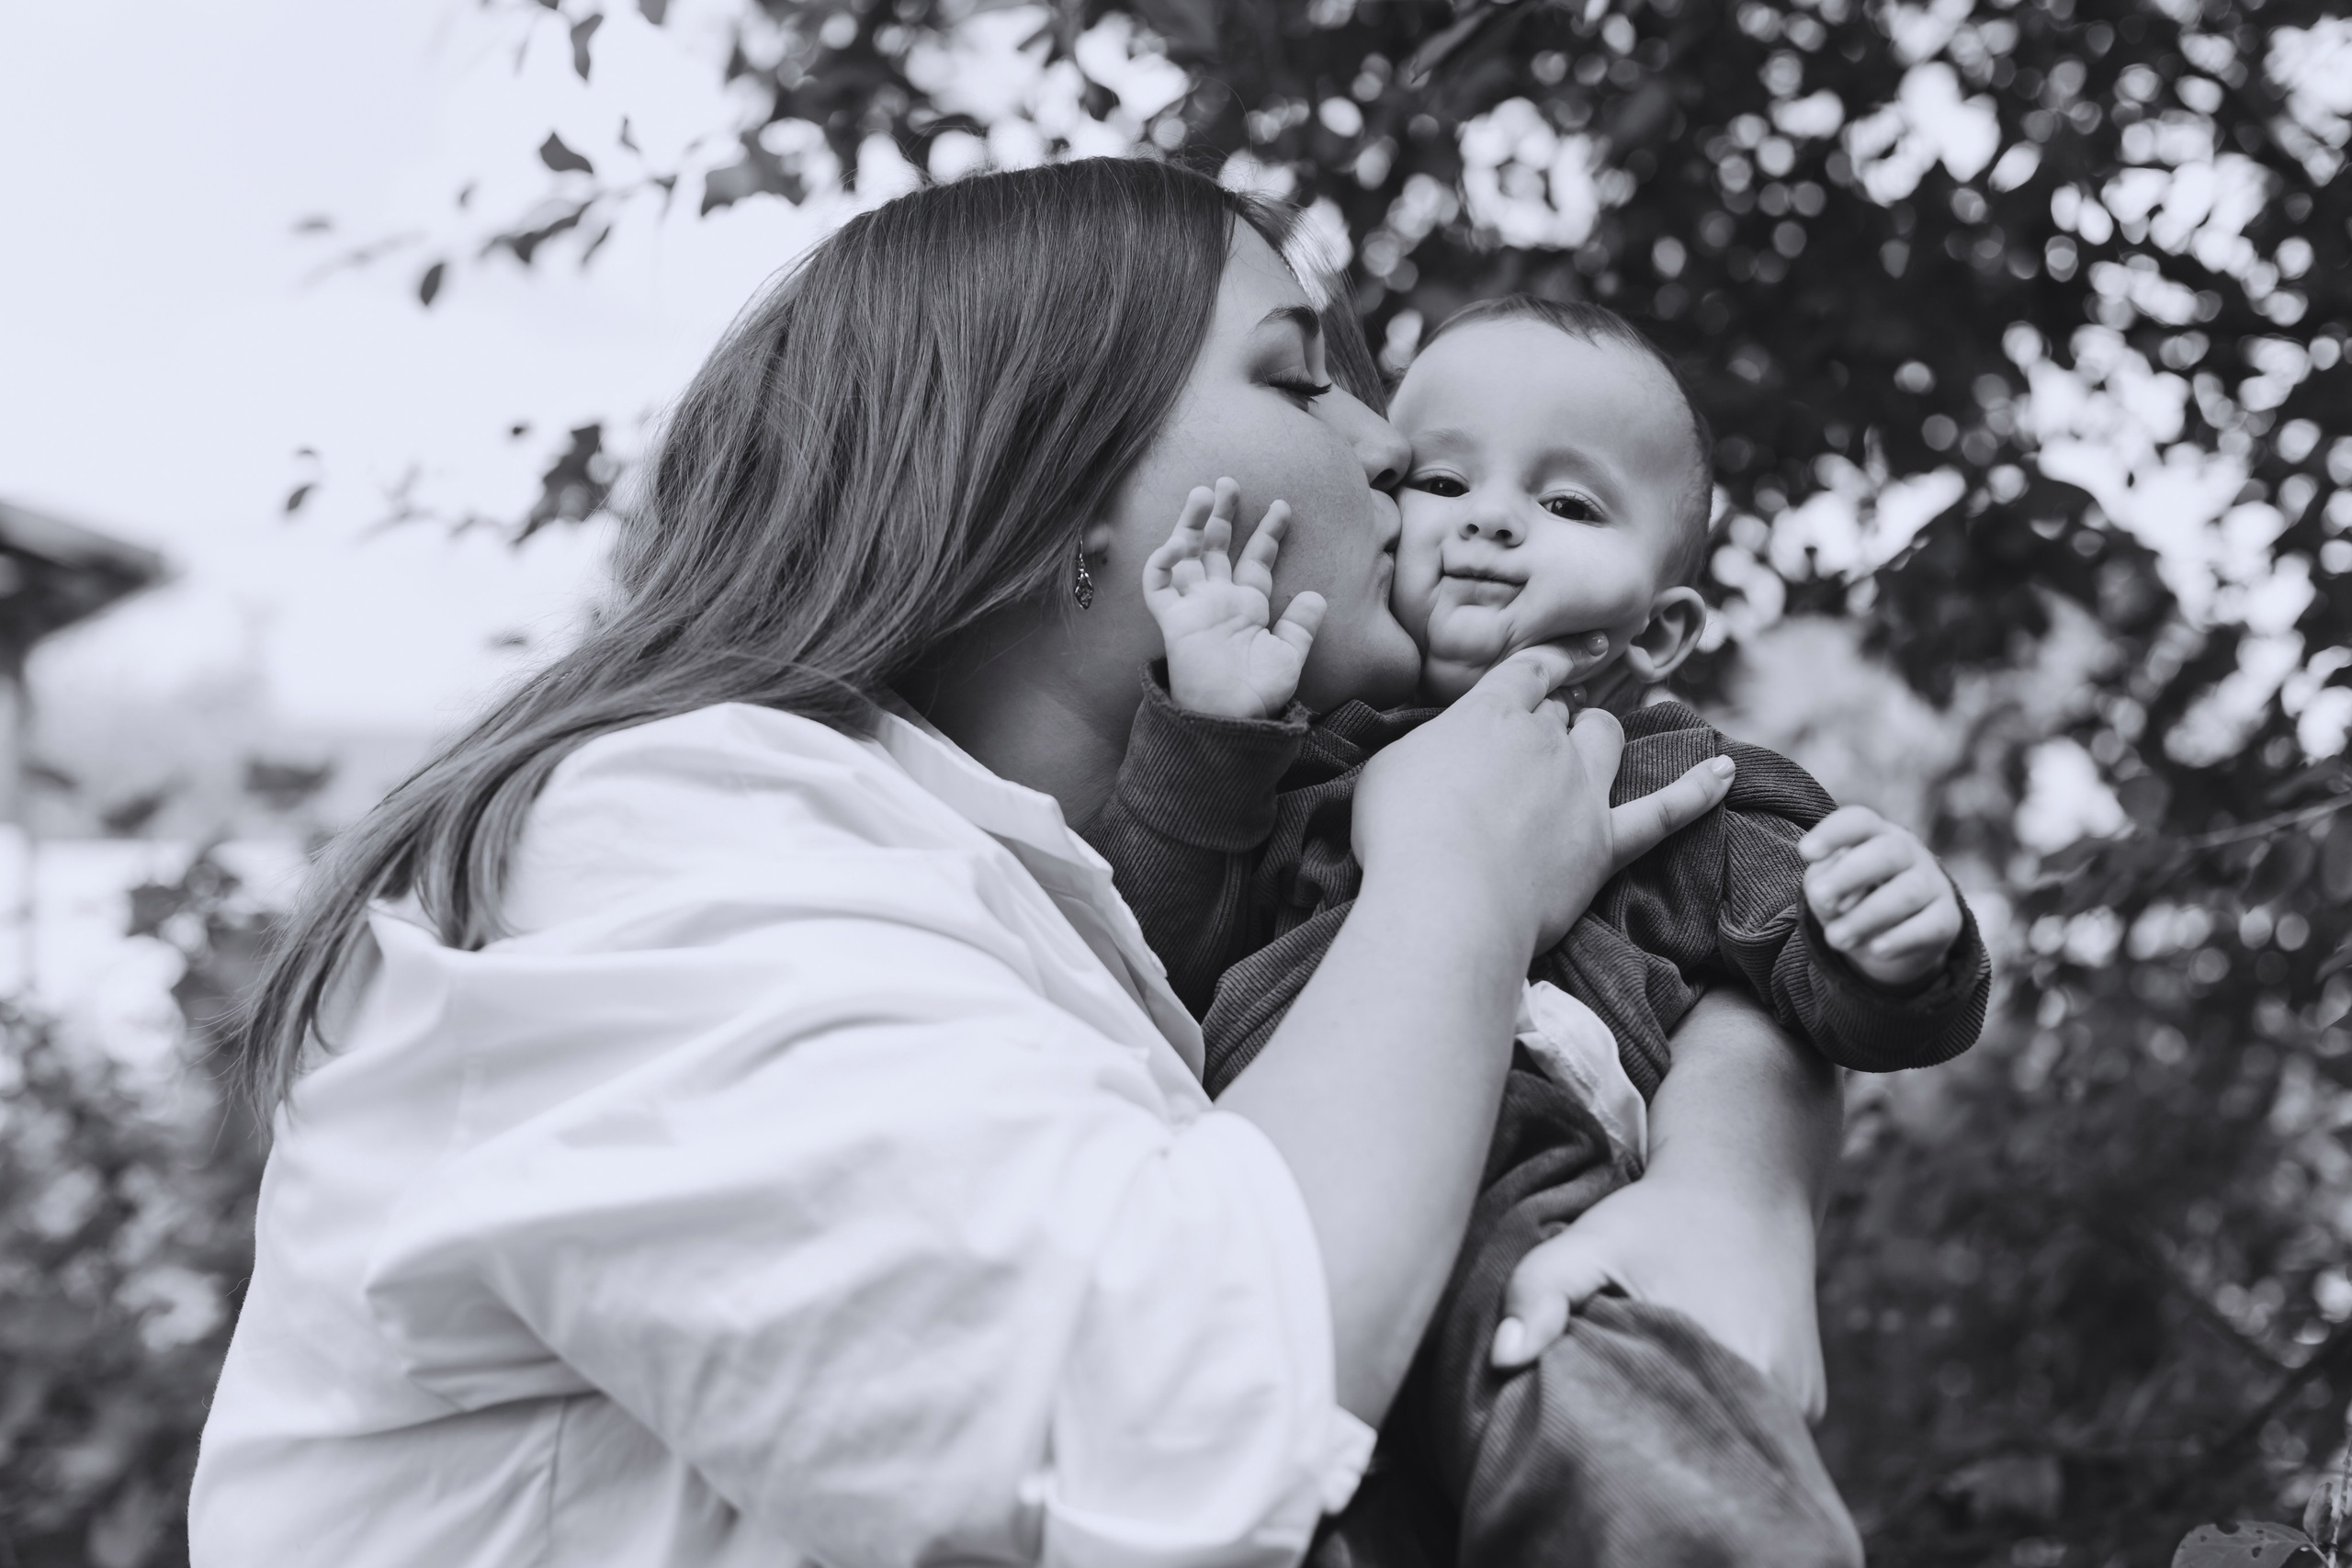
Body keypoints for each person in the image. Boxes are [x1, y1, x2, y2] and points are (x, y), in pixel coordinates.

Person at [190, 160, 1841, 1568]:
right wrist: (1457, 896)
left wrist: (1733, 1172)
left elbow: (1727, 893)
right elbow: (1163, 1434)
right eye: (1299, 377)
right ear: (1055, 493)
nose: (1390, 450)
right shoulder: (664, 832)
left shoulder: (1095, 900)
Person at [1088, 295, 1992, 1565]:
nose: (1495, 517)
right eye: (1446, 478)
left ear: (1660, 628)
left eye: (1569, 506)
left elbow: (1818, 977)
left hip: (1537, 1206)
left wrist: (1895, 935)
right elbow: (1144, 953)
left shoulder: (1668, 778)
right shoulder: (1290, 765)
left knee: (1626, 1434)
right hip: (1289, 1210)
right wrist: (1211, 735)